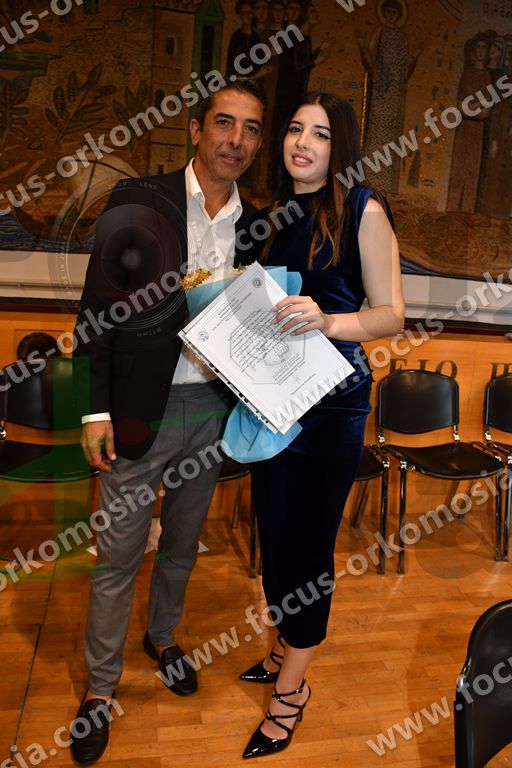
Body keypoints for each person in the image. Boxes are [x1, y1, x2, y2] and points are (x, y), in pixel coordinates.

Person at [71, 77, 265, 765]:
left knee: (183, 545)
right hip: (133, 412)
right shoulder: (138, 201)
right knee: (118, 557)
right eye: (224, 122)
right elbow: (96, 310)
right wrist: (92, 408)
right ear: (195, 129)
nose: (236, 139)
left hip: (211, 410)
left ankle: (163, 638)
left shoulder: (257, 224)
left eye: (250, 128)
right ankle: (100, 690)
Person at [238, 92, 405, 759]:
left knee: (306, 549)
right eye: (295, 129)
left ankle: (292, 692)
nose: (302, 142)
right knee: (275, 538)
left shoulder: (363, 208)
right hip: (273, 398)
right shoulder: (270, 217)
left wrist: (330, 320)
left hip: (332, 407)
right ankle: (283, 647)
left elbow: (392, 314)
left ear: (343, 148)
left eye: (321, 134)